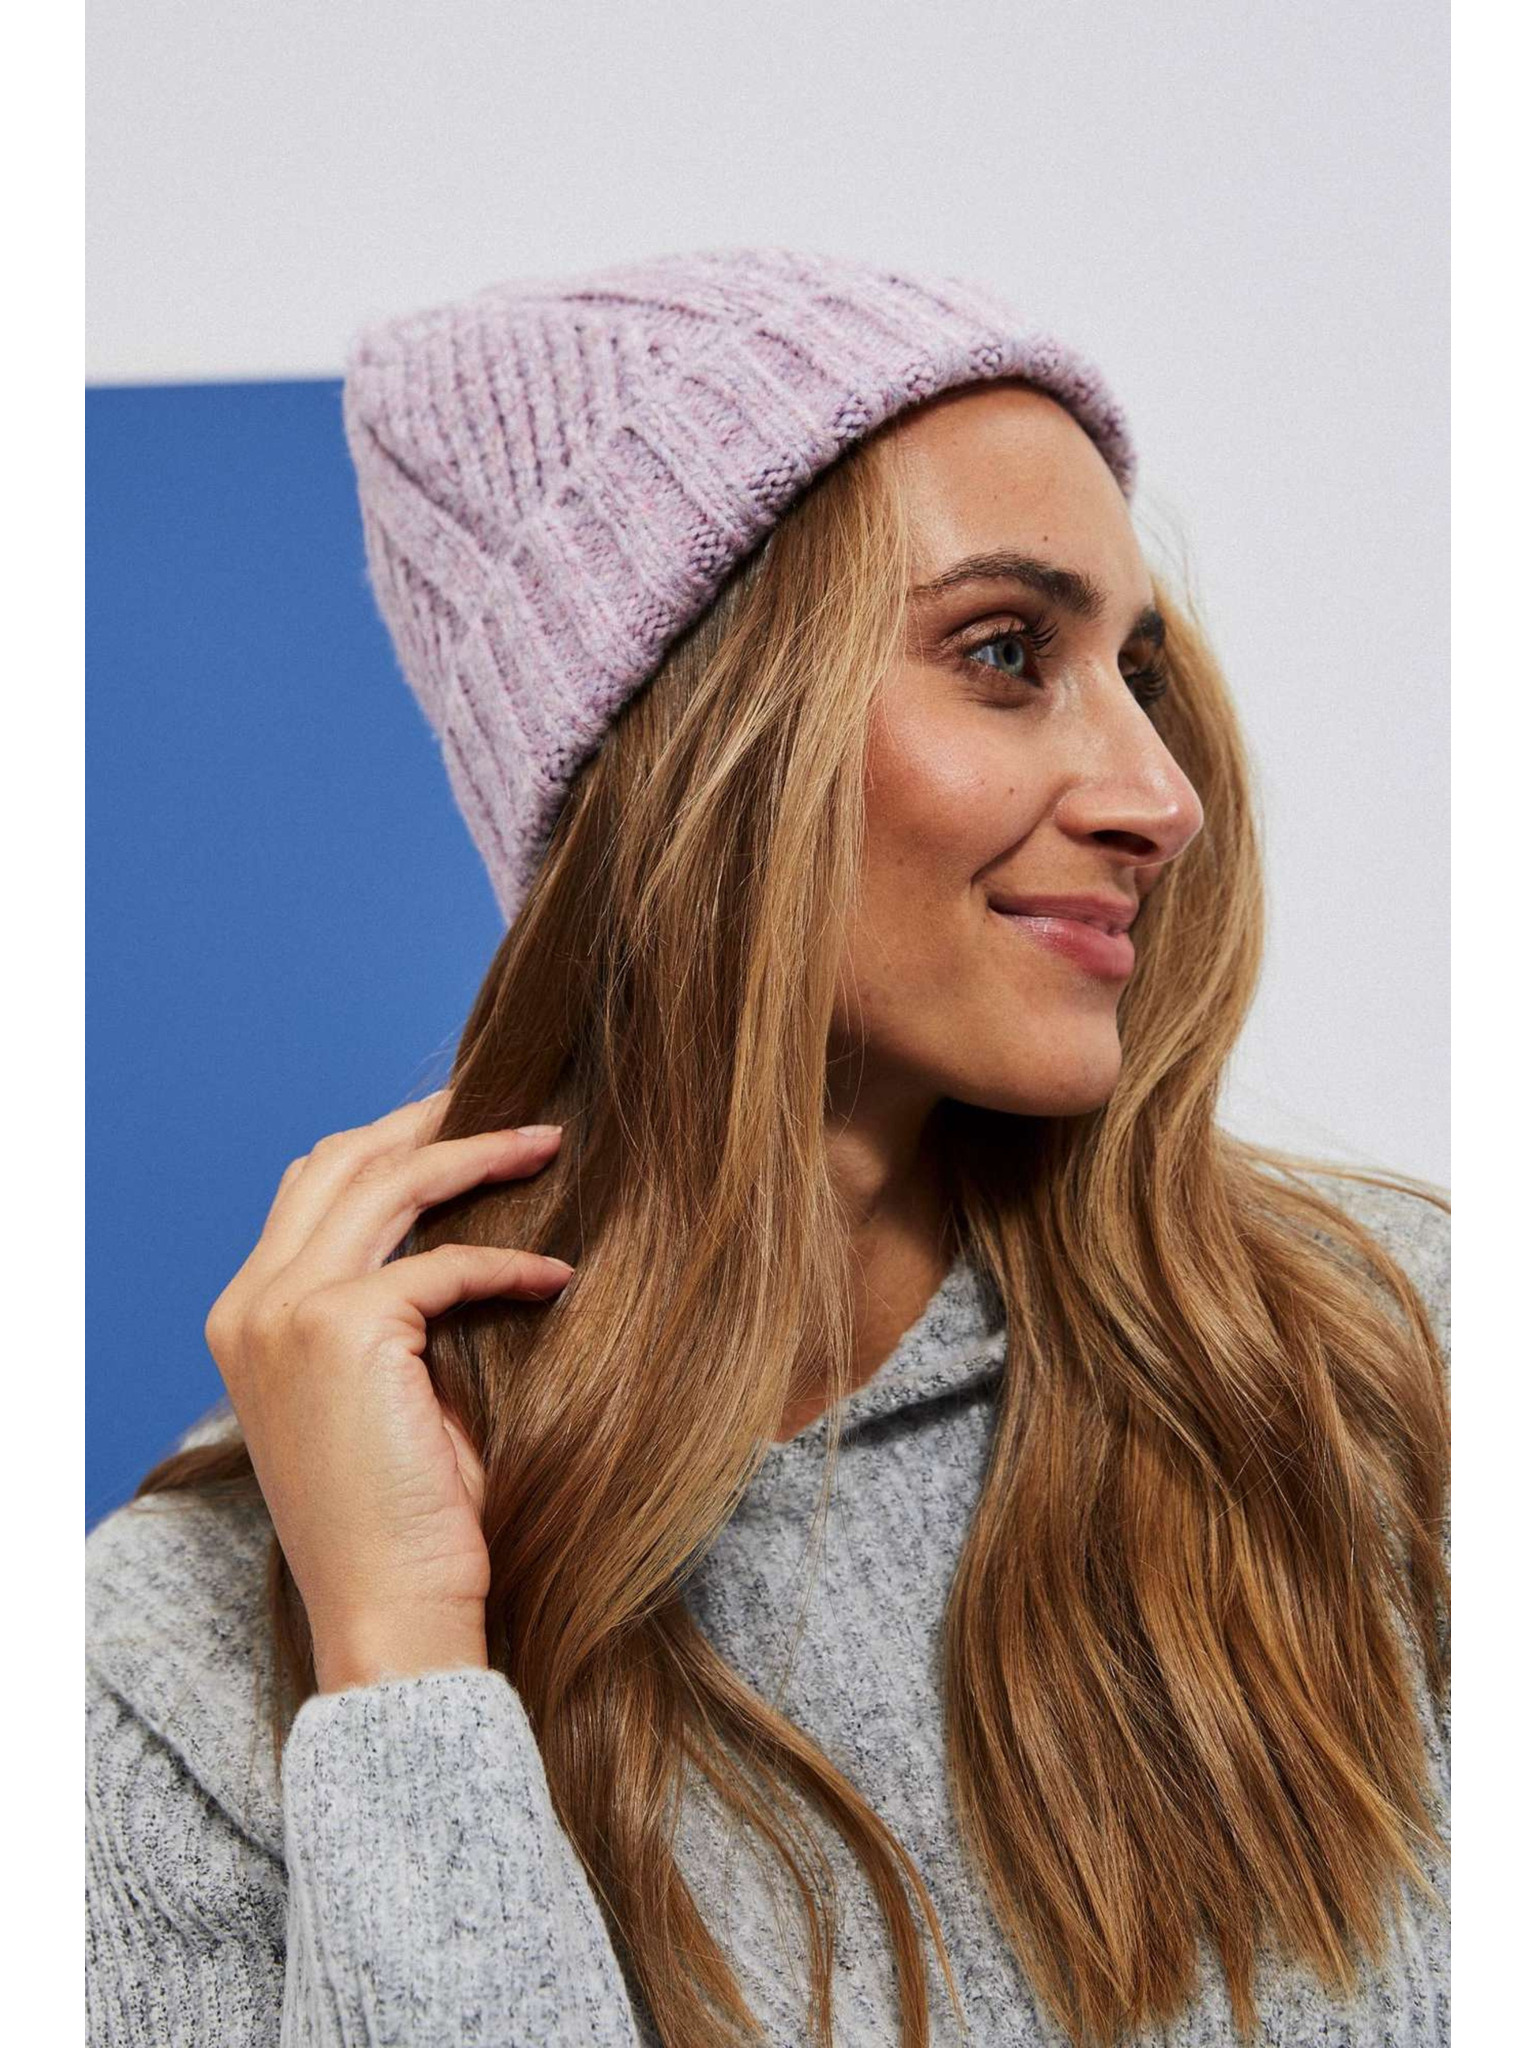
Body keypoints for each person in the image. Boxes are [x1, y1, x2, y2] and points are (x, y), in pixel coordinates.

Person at [84, 249, 1450, 2048]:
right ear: (693, 747)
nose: (1163, 797)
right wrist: (406, 1665)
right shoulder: (183, 1660)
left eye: (1137, 672)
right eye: (1005, 654)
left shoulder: (1388, 1370)